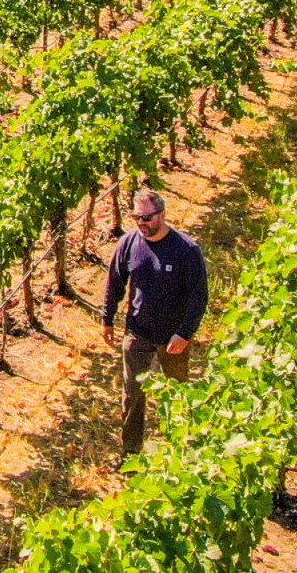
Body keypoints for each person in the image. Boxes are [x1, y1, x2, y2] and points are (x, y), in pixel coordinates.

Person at [102, 188, 207, 456]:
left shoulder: (186, 250)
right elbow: (115, 282)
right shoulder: (128, 244)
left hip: (173, 337)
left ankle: (181, 450)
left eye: (147, 218)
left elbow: (199, 296)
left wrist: (184, 333)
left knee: (177, 393)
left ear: (162, 214)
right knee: (132, 395)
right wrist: (107, 319)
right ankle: (131, 454)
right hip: (138, 332)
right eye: (137, 217)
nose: (141, 223)